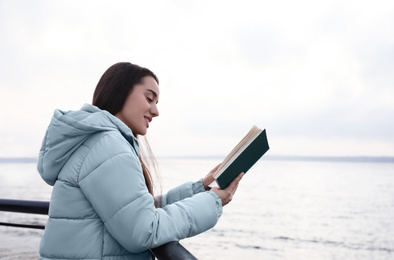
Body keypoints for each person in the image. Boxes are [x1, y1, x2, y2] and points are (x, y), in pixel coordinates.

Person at [37, 62, 243, 260]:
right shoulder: (108, 145)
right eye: (149, 98)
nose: (156, 111)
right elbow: (143, 230)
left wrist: (201, 189)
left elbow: (134, 208)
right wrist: (213, 201)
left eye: (156, 102)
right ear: (121, 93)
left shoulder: (100, 141)